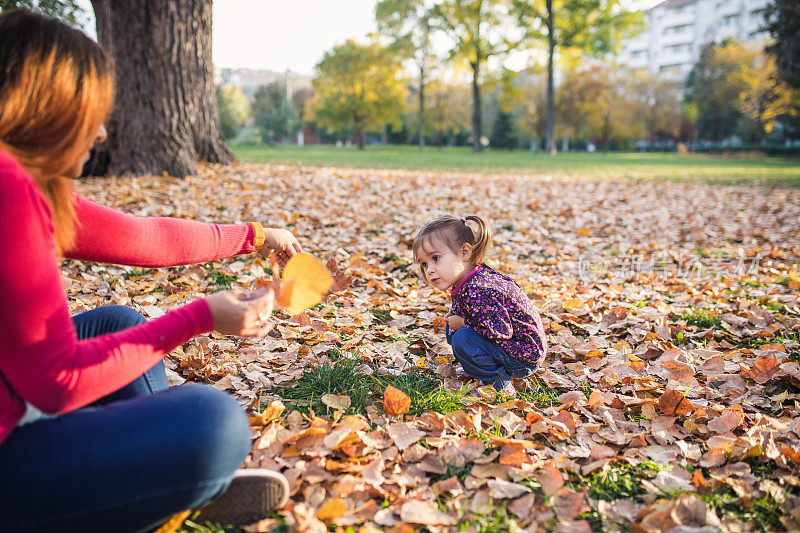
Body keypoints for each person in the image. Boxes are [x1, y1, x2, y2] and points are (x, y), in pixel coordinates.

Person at [0, 9, 299, 532]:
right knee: (217, 425)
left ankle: (161, 491)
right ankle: (156, 490)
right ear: (47, 111)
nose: (100, 131)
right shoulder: (9, 189)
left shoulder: (26, 184)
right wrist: (197, 317)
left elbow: (144, 237)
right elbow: (58, 382)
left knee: (119, 322)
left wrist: (252, 234)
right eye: (89, 111)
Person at [412, 215, 547, 396]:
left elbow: (501, 331)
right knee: (453, 327)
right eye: (424, 264)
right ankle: (479, 368)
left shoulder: (479, 288)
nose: (429, 270)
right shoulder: (470, 278)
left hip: (523, 356)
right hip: (515, 347)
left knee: (462, 338)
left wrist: (463, 324)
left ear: (465, 252)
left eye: (435, 258)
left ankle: (499, 385)